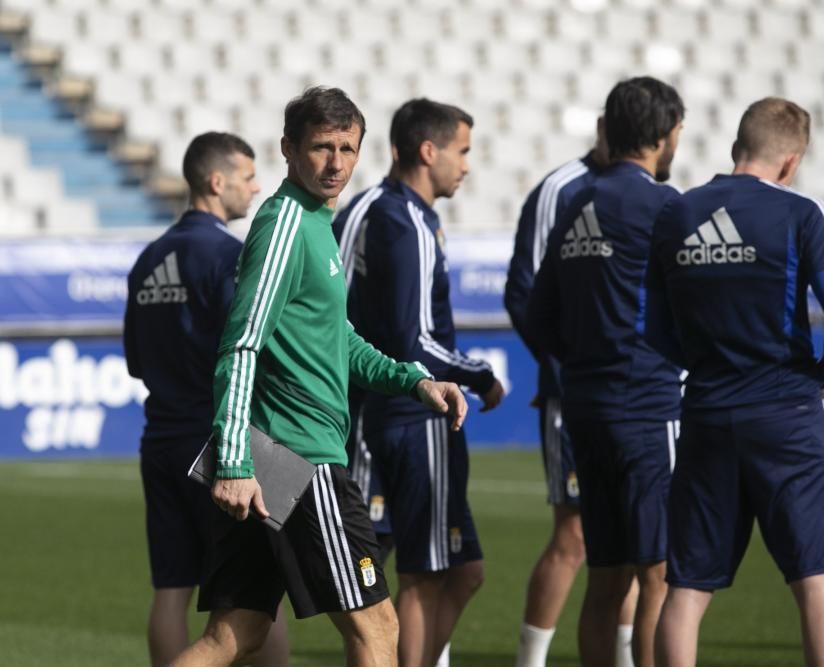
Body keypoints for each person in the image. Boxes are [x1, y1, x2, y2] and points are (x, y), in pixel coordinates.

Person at [170, 87, 468, 667]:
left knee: (234, 637)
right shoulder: (284, 223)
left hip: (272, 455)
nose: (335, 163)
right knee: (378, 629)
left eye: (347, 149)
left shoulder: (312, 222)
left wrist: (413, 380)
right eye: (321, 147)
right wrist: (233, 463)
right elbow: (241, 344)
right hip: (297, 458)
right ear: (288, 149)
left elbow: (338, 339)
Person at [649, 97, 824, 667]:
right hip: (787, 412)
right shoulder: (800, 213)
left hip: (708, 413)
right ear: (790, 162)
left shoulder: (677, 214)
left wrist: (705, 366)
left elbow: (652, 329)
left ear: (736, 146)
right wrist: (819, 375)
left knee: (686, 588)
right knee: (815, 583)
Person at [332, 97, 503, 667]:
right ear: (429, 152)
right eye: (463, 151)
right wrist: (479, 374)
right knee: (422, 576)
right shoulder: (405, 222)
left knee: (448, 570)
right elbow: (415, 343)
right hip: (411, 415)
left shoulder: (362, 209)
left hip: (362, 414)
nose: (468, 165)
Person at [527, 76, 686, 667]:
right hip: (646, 409)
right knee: (660, 574)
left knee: (605, 579)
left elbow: (540, 312)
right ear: (665, 136)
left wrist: (586, 358)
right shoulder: (666, 206)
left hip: (585, 409)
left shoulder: (576, 202)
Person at [123, 132, 289, 667]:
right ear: (217, 183)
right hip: (226, 440)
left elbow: (134, 363)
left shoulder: (149, 258)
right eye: (247, 177)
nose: (256, 186)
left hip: (161, 438)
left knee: (171, 587)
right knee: (262, 588)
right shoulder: (230, 255)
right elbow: (251, 350)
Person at [504, 121, 639, 667]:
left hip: (633, 399)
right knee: (576, 534)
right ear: (606, 128)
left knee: (635, 538)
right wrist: (563, 367)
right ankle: (530, 660)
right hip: (573, 396)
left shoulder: (643, 191)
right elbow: (522, 291)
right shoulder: (560, 189)